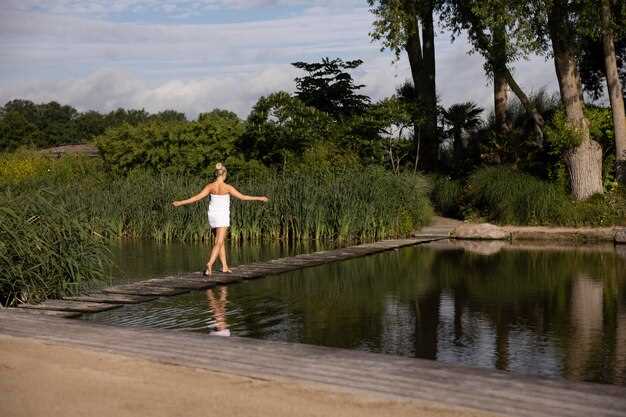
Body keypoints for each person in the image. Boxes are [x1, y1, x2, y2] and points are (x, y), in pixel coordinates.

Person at [172, 163, 269, 275]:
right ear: (224, 175)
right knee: (219, 242)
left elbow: (196, 198)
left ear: (216, 174)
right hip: (222, 216)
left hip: (212, 215)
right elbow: (243, 197)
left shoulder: (210, 186)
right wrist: (259, 198)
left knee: (220, 242)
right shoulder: (227, 187)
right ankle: (210, 263)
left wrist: (180, 202)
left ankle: (224, 266)